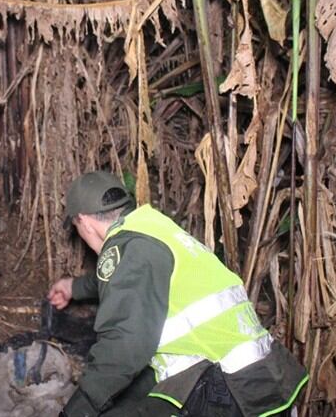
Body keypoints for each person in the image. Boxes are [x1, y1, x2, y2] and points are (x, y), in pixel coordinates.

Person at [49, 171, 309, 416]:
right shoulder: (153, 230)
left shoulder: (129, 249)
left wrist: (77, 409)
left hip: (229, 392)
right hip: (267, 379)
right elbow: (129, 283)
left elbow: (124, 346)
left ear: (83, 220)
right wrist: (73, 287)